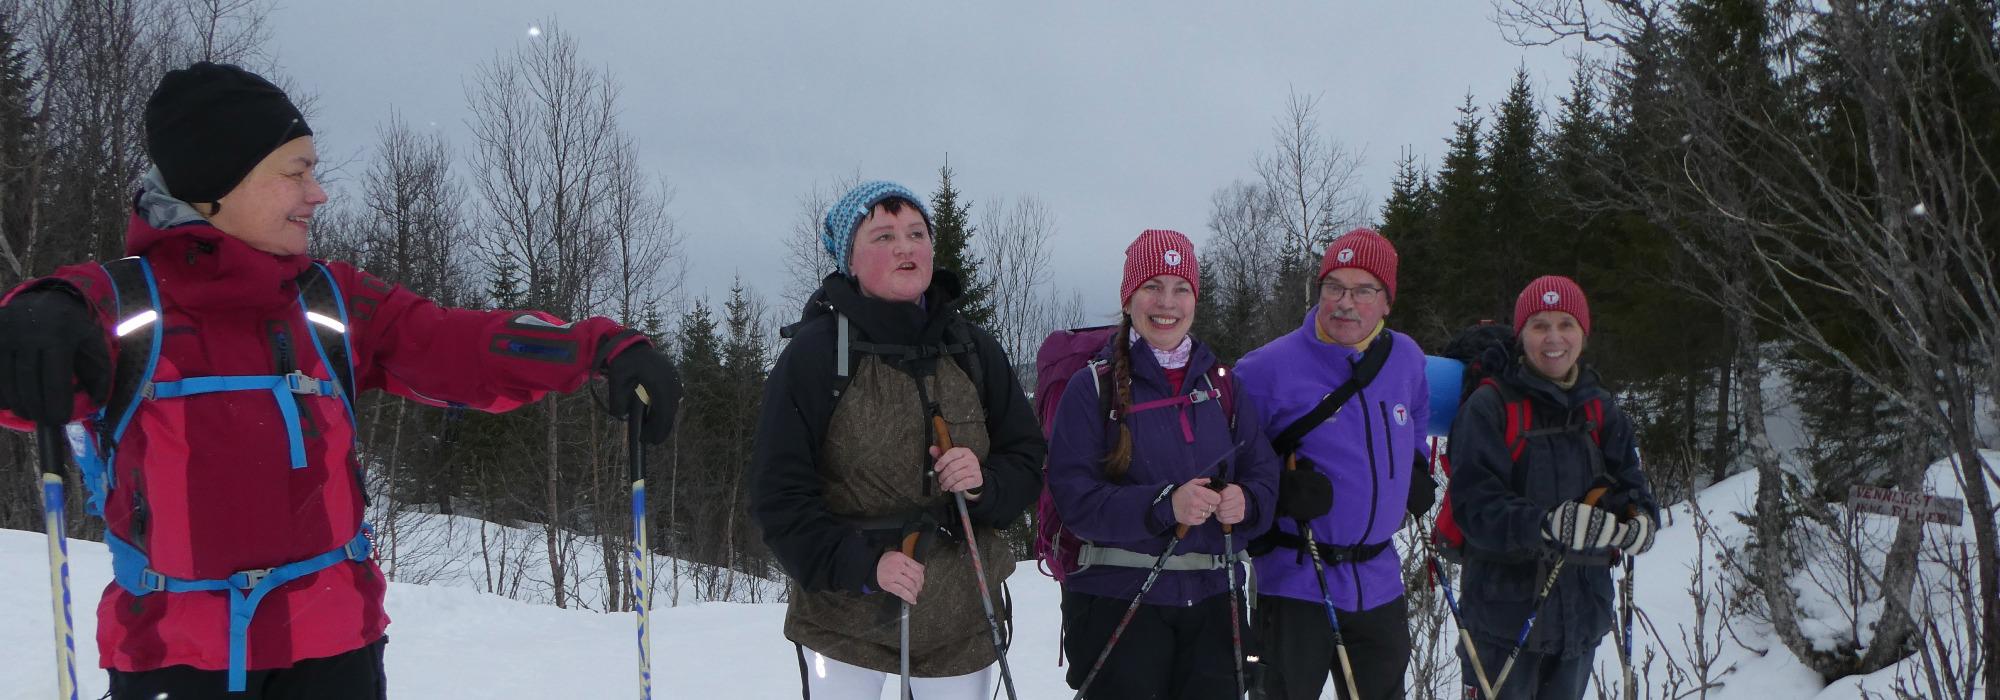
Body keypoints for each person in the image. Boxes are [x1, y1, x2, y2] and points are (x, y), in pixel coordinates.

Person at [0, 62, 683, 698]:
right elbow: (24, 374)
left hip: (334, 656)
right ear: (218, 184)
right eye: (296, 172)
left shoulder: (328, 303)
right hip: (173, 662)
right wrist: (32, 316)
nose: (317, 193)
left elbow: (455, 344)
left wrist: (598, 348)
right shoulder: (119, 306)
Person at [749, 180, 1044, 698]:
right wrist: (865, 565)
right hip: (844, 615)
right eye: (883, 236)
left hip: (960, 613)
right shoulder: (816, 355)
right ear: (850, 261)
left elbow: (1027, 460)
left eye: (916, 233)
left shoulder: (972, 349)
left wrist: (984, 485)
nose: (906, 246)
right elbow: (779, 498)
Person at [1045, 229, 1279, 698]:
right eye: (1152, 286)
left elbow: (1262, 472)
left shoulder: (1224, 387)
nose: (1166, 302)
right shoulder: (1093, 388)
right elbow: (1076, 501)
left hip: (1215, 603)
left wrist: (1247, 501)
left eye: (1181, 288)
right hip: (1120, 597)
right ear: (1128, 297)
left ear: (1196, 298)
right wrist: (1164, 505)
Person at [1234, 228, 1436, 700]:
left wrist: (1417, 466)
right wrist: (1275, 494)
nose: (1346, 302)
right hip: (1294, 581)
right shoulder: (1264, 370)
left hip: (1378, 582)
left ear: (1386, 302)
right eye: (1334, 287)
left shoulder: (1405, 357)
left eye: (1364, 290)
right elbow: (1231, 466)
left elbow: (1417, 415)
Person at [1446, 275, 1658, 700]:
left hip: (1580, 618)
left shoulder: (1601, 407)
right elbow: (1474, 505)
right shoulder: (1489, 407)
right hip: (1502, 624)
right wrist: (1544, 525)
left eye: (1566, 324)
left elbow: (1630, 482)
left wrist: (1641, 517)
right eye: (1540, 325)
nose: (1554, 338)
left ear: (1583, 333)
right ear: (1521, 333)